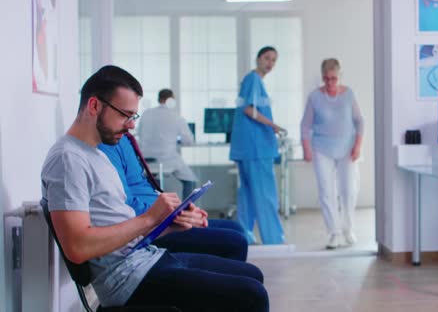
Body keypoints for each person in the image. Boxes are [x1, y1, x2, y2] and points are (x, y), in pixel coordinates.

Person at [41, 65, 268, 311]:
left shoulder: (97, 155)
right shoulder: (68, 159)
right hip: (126, 280)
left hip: (143, 259)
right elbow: (77, 247)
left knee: (253, 276)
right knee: (251, 295)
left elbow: (121, 227)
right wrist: (151, 218)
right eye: (124, 115)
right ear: (94, 106)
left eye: (133, 117)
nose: (130, 126)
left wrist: (169, 225)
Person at [98, 133, 249, 261]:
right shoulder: (105, 146)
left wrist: (179, 211)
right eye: (126, 114)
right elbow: (127, 205)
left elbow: (144, 188)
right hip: (150, 229)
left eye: (133, 115)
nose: (131, 122)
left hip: (161, 216)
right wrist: (166, 216)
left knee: (236, 228)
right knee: (235, 242)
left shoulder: (123, 139)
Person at [300, 58, 364, 249]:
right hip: (322, 149)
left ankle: (348, 229)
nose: (330, 83)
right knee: (326, 192)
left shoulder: (349, 94)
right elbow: (305, 126)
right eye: (326, 79)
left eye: (333, 78)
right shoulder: (315, 97)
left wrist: (358, 146)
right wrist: (306, 148)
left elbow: (360, 121)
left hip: (347, 148)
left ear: (340, 76)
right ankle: (334, 233)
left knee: (348, 191)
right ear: (322, 77)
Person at [230, 46, 286, 245]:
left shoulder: (251, 80)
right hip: (256, 147)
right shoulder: (253, 79)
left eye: (273, 60)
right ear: (258, 59)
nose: (270, 63)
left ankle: (244, 235)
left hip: (248, 148)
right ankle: (273, 239)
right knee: (265, 194)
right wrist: (273, 126)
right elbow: (248, 109)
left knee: (247, 195)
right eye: (267, 58)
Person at [136, 88, 197, 199]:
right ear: (171, 100)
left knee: (154, 178)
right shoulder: (176, 116)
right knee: (190, 179)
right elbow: (188, 141)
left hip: (145, 159)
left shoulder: (146, 114)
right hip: (167, 159)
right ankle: (187, 211)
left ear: (159, 99)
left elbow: (139, 134)